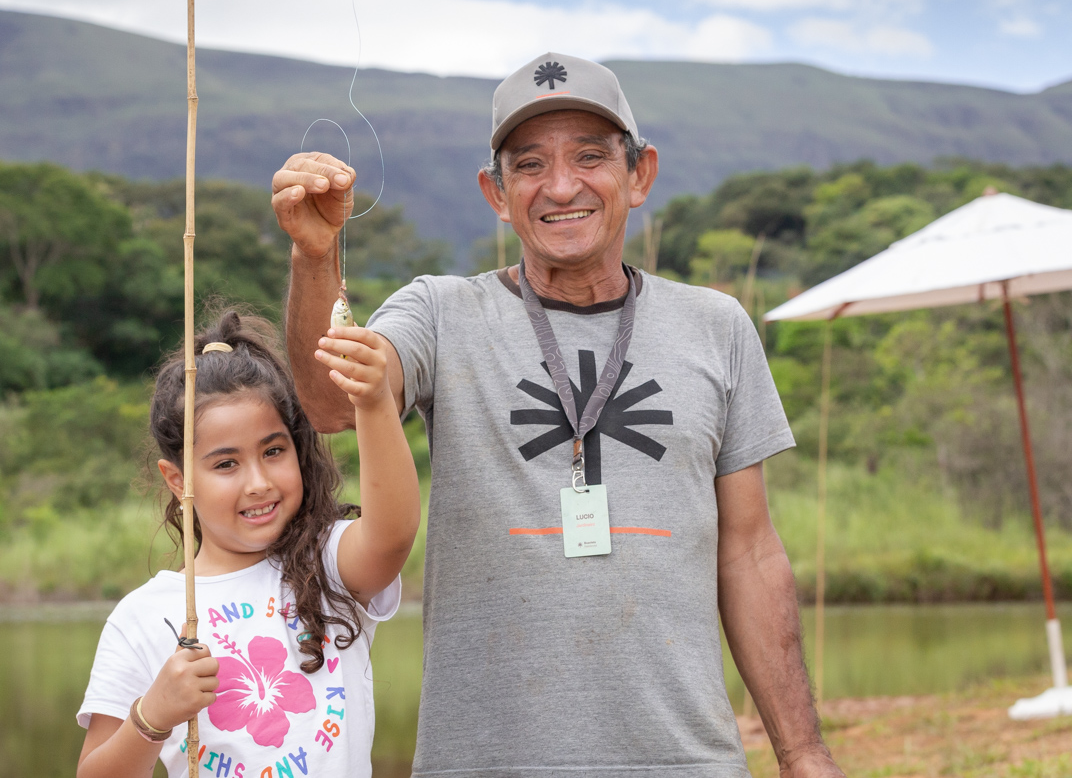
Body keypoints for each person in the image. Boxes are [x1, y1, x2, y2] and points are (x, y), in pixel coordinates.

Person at [271, 53, 844, 777]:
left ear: (640, 175)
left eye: (590, 157)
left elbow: (751, 552)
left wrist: (803, 752)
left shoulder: (717, 325)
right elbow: (331, 403)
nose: (562, 185)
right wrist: (314, 257)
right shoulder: (441, 312)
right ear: (496, 192)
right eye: (530, 164)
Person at [75, 308, 420, 778]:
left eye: (273, 451)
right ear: (178, 480)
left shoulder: (328, 563)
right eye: (226, 464)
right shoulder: (139, 618)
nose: (258, 483)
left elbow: (392, 535)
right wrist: (151, 717)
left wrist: (374, 401)